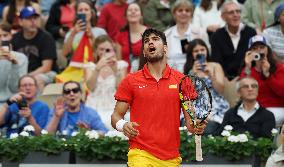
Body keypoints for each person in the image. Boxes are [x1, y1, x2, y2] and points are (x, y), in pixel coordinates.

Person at [111, 28, 207, 166]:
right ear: (144, 52)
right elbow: (116, 116)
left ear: (166, 48)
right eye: (146, 41)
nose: (150, 42)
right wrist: (123, 125)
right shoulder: (130, 80)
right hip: (140, 153)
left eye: (155, 39)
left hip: (171, 158)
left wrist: (196, 126)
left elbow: (190, 123)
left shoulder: (182, 80)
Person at [184, 38, 229, 135]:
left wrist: (211, 75)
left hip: (214, 102)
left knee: (209, 127)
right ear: (191, 54)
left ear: (207, 51)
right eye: (196, 51)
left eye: (202, 50)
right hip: (194, 104)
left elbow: (221, 90)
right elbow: (186, 93)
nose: (200, 52)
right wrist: (192, 73)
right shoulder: (189, 68)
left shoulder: (215, 66)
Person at [84, 35, 128, 130]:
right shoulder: (90, 67)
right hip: (94, 105)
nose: (104, 52)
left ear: (113, 49)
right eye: (101, 49)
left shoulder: (121, 65)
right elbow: (90, 87)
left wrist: (116, 71)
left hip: (114, 105)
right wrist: (97, 69)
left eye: (107, 49)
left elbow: (121, 90)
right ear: (96, 51)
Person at [240, 35, 284, 126]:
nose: (259, 51)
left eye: (262, 47)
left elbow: (282, 91)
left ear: (267, 49)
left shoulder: (278, 68)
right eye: (255, 48)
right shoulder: (248, 70)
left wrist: (268, 75)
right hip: (254, 109)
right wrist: (247, 66)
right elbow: (243, 92)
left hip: (276, 108)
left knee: (263, 119)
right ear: (250, 52)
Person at [11, 6, 58, 92]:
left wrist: (27, 77)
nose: (33, 21)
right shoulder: (14, 39)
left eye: (35, 18)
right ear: (20, 22)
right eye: (29, 18)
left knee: (36, 80)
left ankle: (37, 105)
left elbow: (46, 67)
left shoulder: (46, 38)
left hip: (46, 73)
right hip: (22, 73)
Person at [210, 0, 256, 81]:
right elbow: (217, 63)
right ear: (223, 17)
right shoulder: (216, 36)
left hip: (248, 78)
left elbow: (254, 62)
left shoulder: (251, 33)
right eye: (231, 12)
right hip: (225, 80)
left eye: (238, 11)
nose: (235, 15)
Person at [165, 0, 209, 73]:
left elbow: (207, 55)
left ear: (191, 14)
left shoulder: (201, 33)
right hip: (171, 75)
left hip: (197, 73)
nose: (184, 13)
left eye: (187, 10)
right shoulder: (166, 35)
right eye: (180, 10)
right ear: (174, 14)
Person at [0, 22, 28, 105]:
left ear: (11, 36)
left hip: (13, 101)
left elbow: (16, 89)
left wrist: (14, 64)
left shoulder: (21, 58)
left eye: (5, 35)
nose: (2, 40)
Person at [115, 2, 147, 72]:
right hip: (126, 77)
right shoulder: (120, 35)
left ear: (141, 15)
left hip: (145, 76)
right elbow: (119, 62)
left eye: (136, 10)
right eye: (130, 10)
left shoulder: (150, 34)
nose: (133, 12)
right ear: (125, 16)